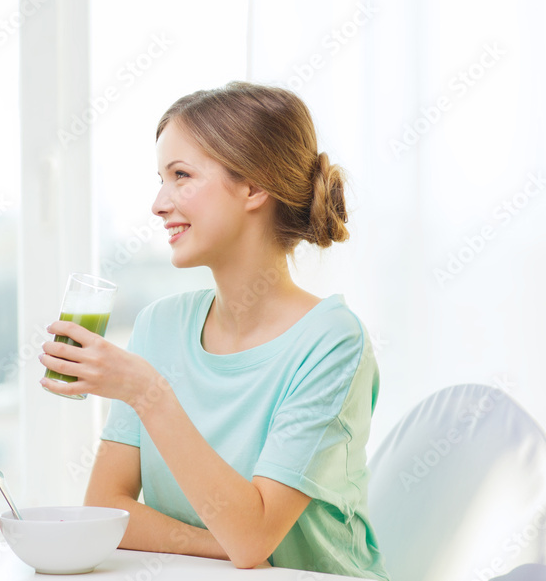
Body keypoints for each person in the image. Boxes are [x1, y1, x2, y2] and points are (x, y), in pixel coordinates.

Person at [39, 82, 388, 579]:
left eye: (181, 176)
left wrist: (148, 392)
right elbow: (105, 510)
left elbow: (252, 537)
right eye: (161, 178)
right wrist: (215, 546)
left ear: (253, 187)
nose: (159, 203)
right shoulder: (160, 325)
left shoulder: (331, 341)